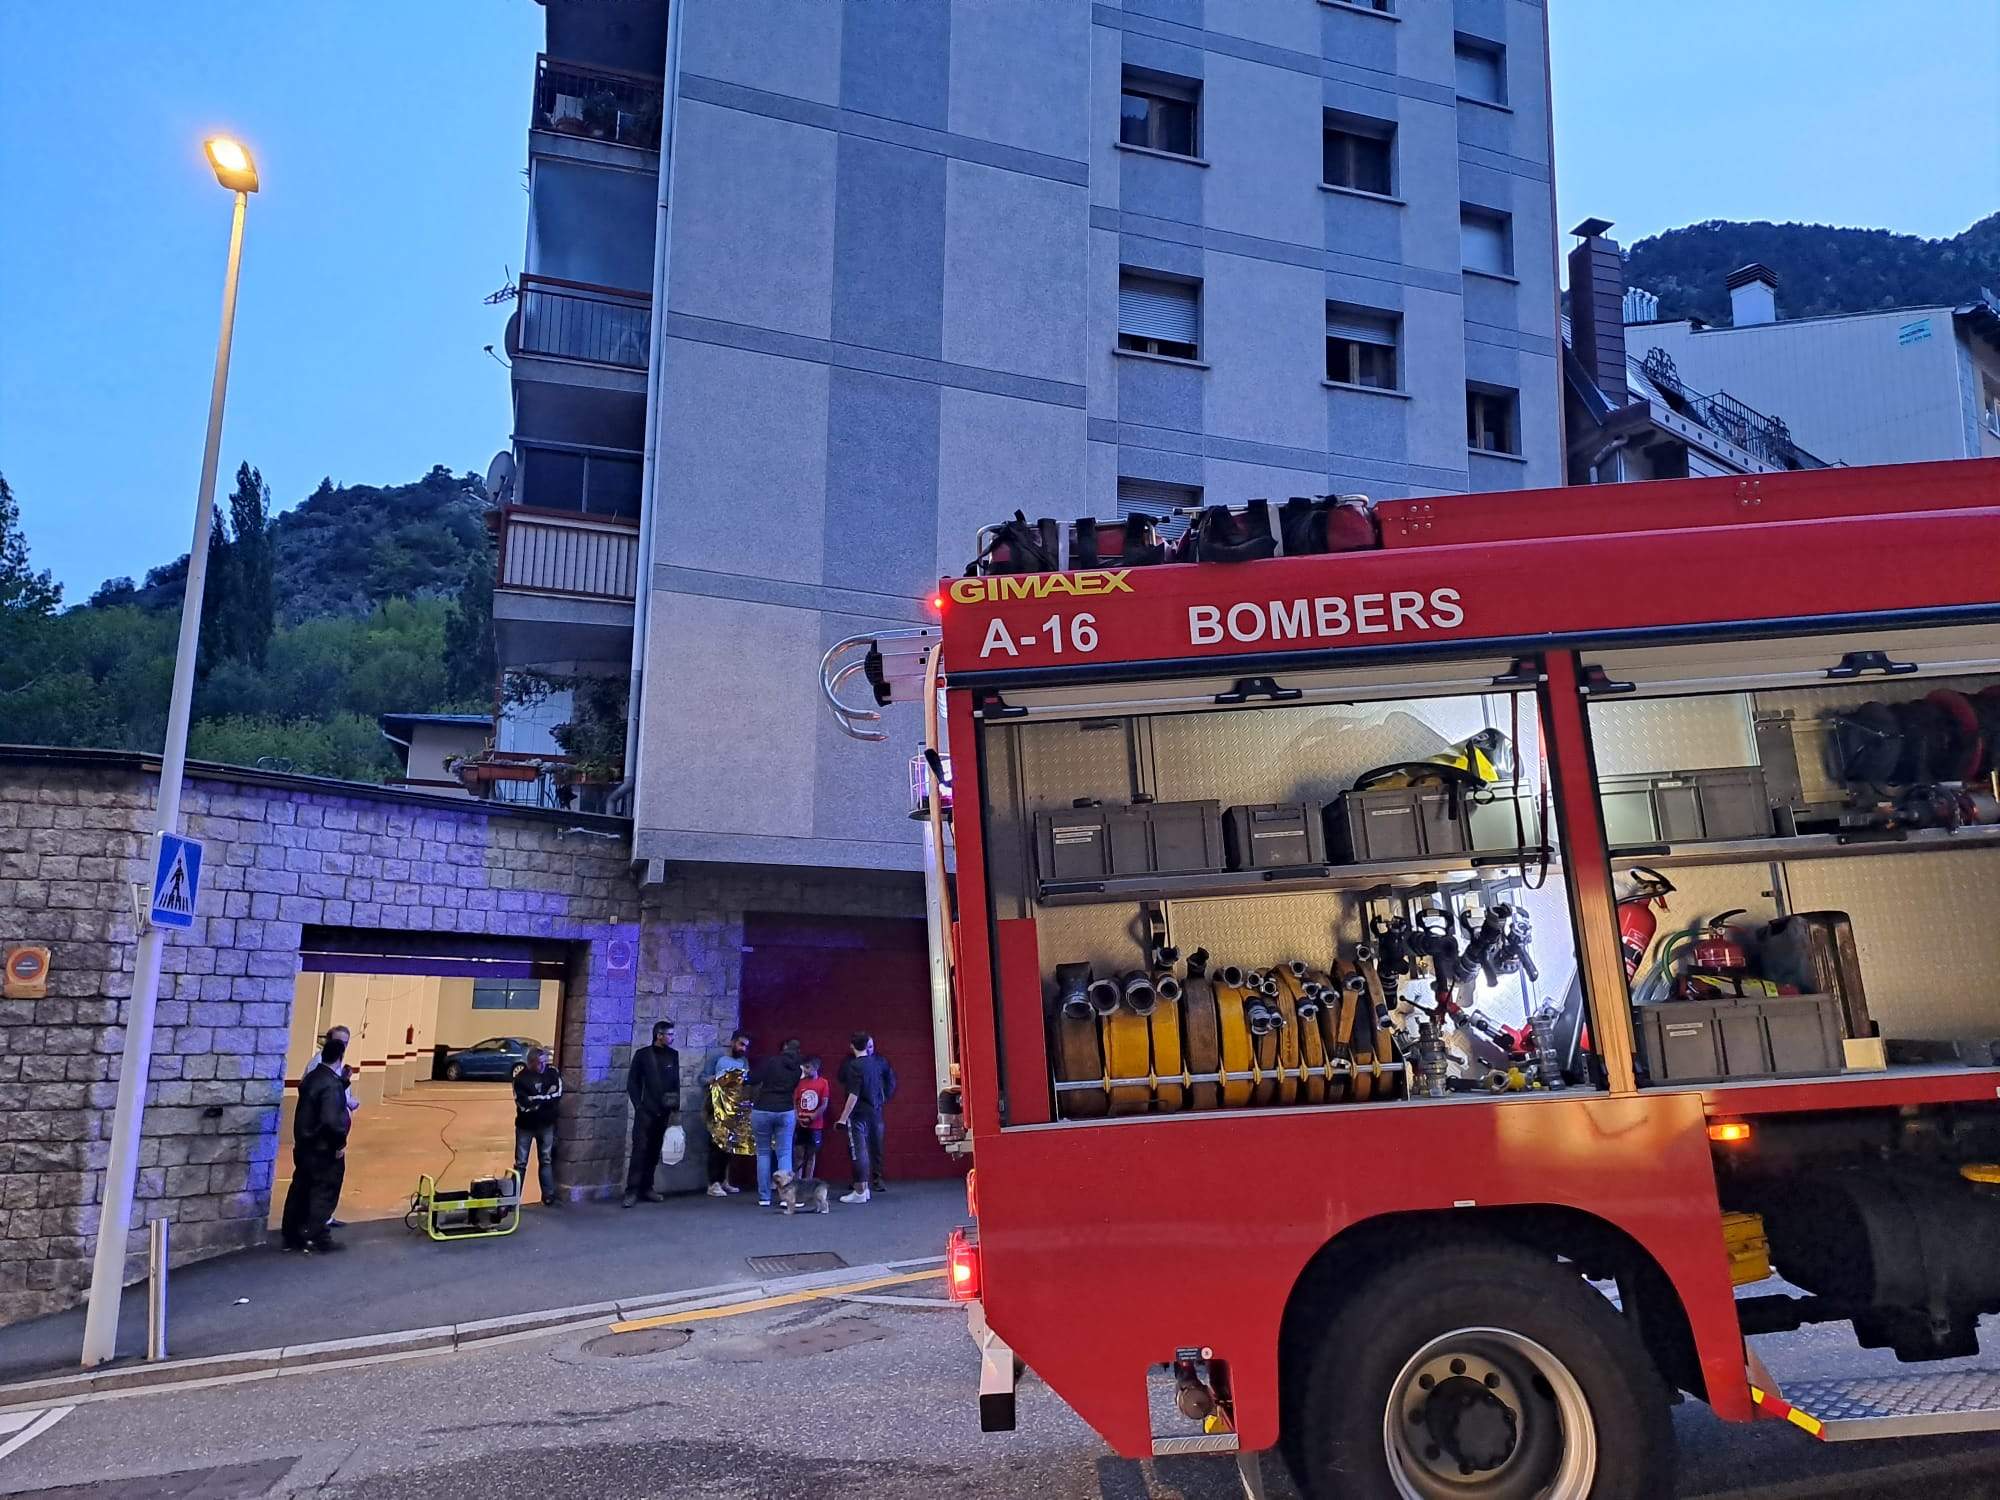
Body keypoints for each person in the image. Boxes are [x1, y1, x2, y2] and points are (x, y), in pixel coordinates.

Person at [280, 1033, 352, 1252]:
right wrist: (339, 1144)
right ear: (340, 1057)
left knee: (300, 1188)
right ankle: (317, 1235)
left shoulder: (314, 1077)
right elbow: (331, 1119)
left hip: (305, 1144)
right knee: (323, 1191)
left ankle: (292, 1234)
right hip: (324, 1148)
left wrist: (344, 1082)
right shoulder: (330, 1085)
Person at [623, 1020, 680, 1208]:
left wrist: (674, 1109)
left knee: (654, 1151)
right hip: (646, 1111)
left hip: (663, 1112)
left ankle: (647, 1187)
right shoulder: (643, 1055)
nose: (672, 1038)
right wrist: (639, 1105)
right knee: (640, 1150)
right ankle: (632, 1191)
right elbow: (633, 1082)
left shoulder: (673, 1055)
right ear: (659, 1035)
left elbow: (675, 1083)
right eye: (669, 1034)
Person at [836, 1031, 897, 1204]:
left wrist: (842, 1117)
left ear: (852, 1046)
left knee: (858, 1150)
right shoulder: (877, 1063)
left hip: (859, 1113)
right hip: (875, 1111)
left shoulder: (854, 1066)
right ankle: (866, 1187)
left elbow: (853, 1095)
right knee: (872, 1147)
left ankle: (861, 1190)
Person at [747, 1038, 805, 1208]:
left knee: (763, 1153)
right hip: (785, 1110)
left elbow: (752, 1078)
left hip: (762, 1109)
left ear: (784, 1049)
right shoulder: (798, 1069)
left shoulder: (771, 1061)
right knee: (784, 1153)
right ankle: (785, 1196)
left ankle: (764, 1196)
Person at [702, 1030, 752, 1197]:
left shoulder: (744, 1061)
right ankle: (713, 1183)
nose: (743, 1048)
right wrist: (718, 1079)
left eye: (746, 1046)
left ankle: (724, 1180)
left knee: (729, 1146)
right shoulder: (717, 1058)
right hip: (716, 1106)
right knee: (716, 1145)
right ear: (732, 1042)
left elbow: (746, 1083)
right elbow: (702, 1078)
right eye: (741, 1044)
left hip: (734, 1108)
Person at [512, 1046, 564, 1207]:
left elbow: (558, 1094)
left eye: (545, 1062)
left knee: (546, 1159)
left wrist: (536, 1099)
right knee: (521, 1163)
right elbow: (523, 1104)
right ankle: (513, 1199)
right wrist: (544, 1098)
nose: (543, 1066)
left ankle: (548, 1195)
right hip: (525, 1126)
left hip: (546, 1124)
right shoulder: (520, 1079)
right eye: (540, 1063)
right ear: (531, 1063)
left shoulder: (552, 1073)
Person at [792, 1056, 829, 1181]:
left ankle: (808, 1181)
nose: (806, 1070)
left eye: (808, 1067)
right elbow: (795, 1102)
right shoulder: (800, 1082)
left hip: (815, 1125)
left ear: (816, 1068)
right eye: (804, 1067)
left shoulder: (823, 1082)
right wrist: (797, 1116)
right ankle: (798, 1181)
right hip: (800, 1124)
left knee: (811, 1156)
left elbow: (824, 1103)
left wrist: (813, 1116)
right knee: (799, 1155)